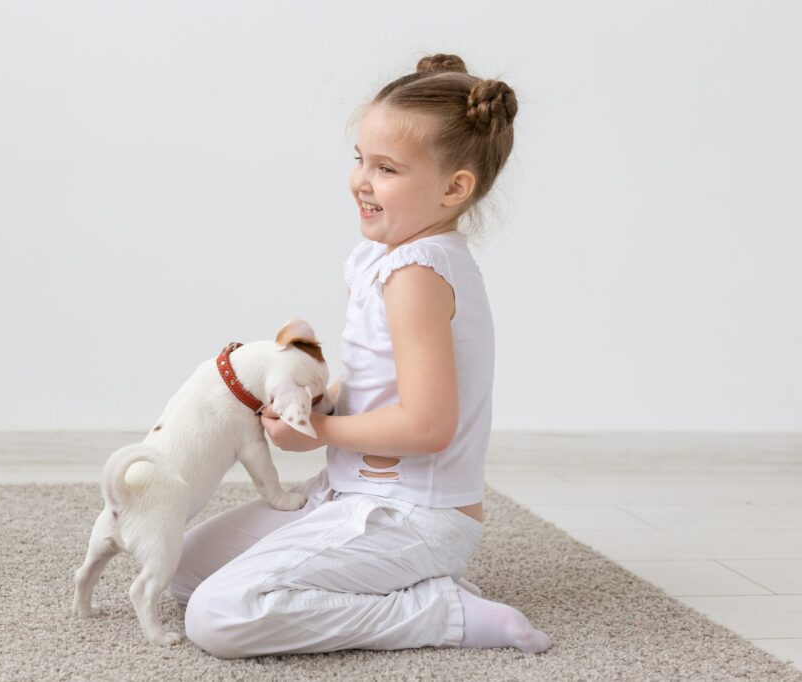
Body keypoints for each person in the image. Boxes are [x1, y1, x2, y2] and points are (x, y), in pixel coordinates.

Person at [167, 52, 551, 658]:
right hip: (351, 497)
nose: (362, 181)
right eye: (360, 160)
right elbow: (376, 386)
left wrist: (319, 429)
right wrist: (310, 396)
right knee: (181, 570)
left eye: (387, 169)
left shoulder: (419, 274)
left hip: (414, 517)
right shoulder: (381, 259)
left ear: (455, 188)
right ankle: (397, 586)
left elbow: (428, 426)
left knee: (219, 615)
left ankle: (440, 612)